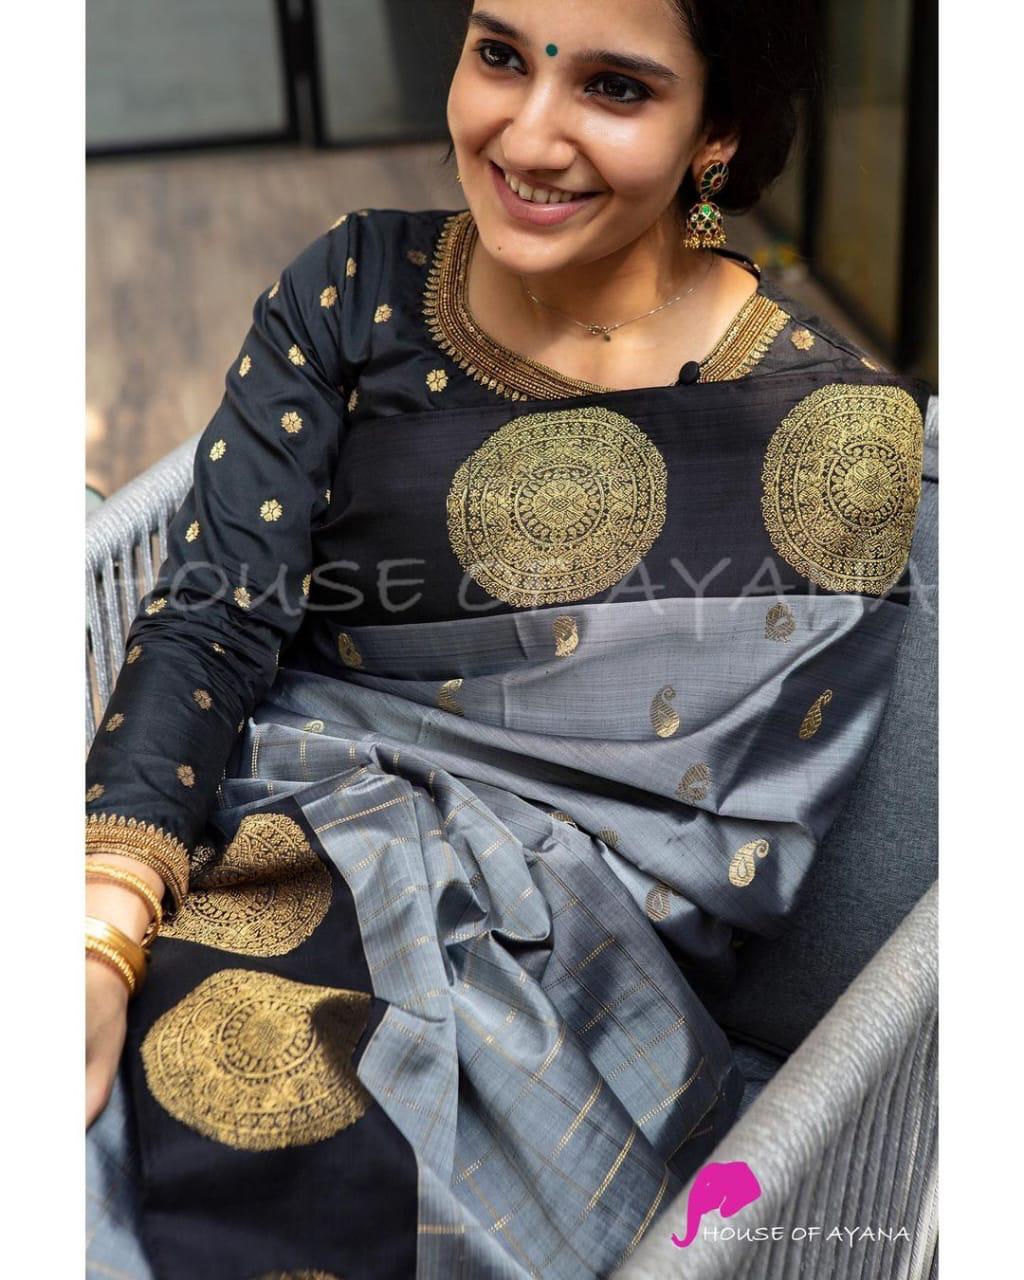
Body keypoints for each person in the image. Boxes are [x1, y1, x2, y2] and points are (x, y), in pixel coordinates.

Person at [85, 2, 930, 1276]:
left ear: (718, 132)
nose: (526, 136)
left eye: (615, 87)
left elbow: (716, 865)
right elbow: (212, 615)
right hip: (247, 832)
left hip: (556, 978)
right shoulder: (352, 287)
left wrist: (428, 896)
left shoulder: (829, 444)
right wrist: (101, 926)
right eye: (499, 55)